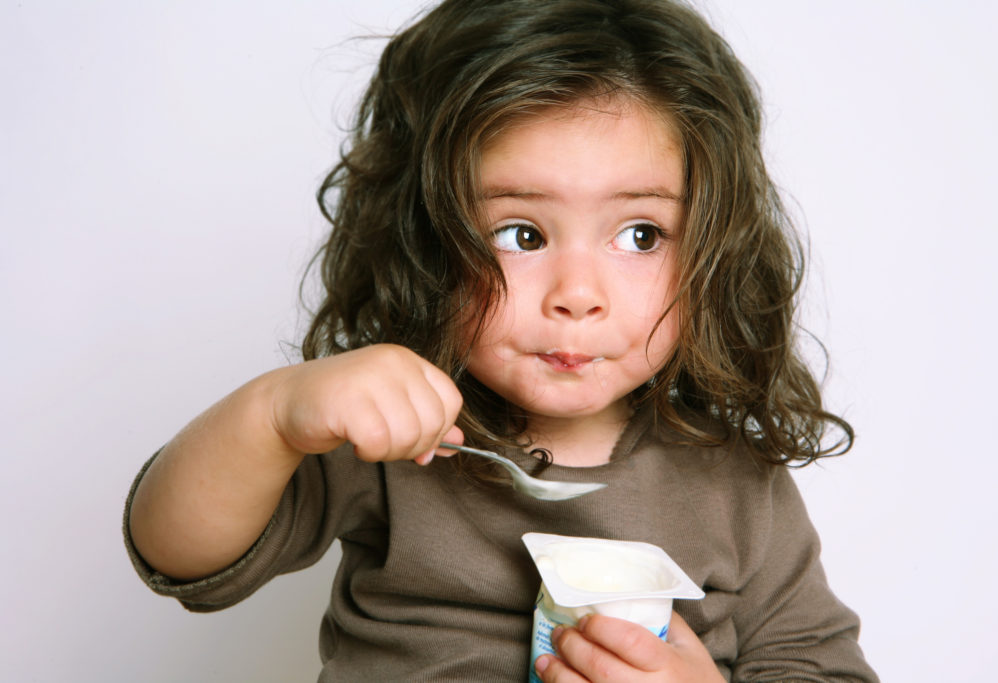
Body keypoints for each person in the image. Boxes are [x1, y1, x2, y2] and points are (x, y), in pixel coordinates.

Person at [124, 0, 878, 680]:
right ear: (424, 244)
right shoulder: (391, 431)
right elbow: (178, 554)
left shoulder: (738, 484)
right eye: (520, 234)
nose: (577, 294)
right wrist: (273, 414)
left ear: (714, 248)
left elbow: (825, 667)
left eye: (640, 234)